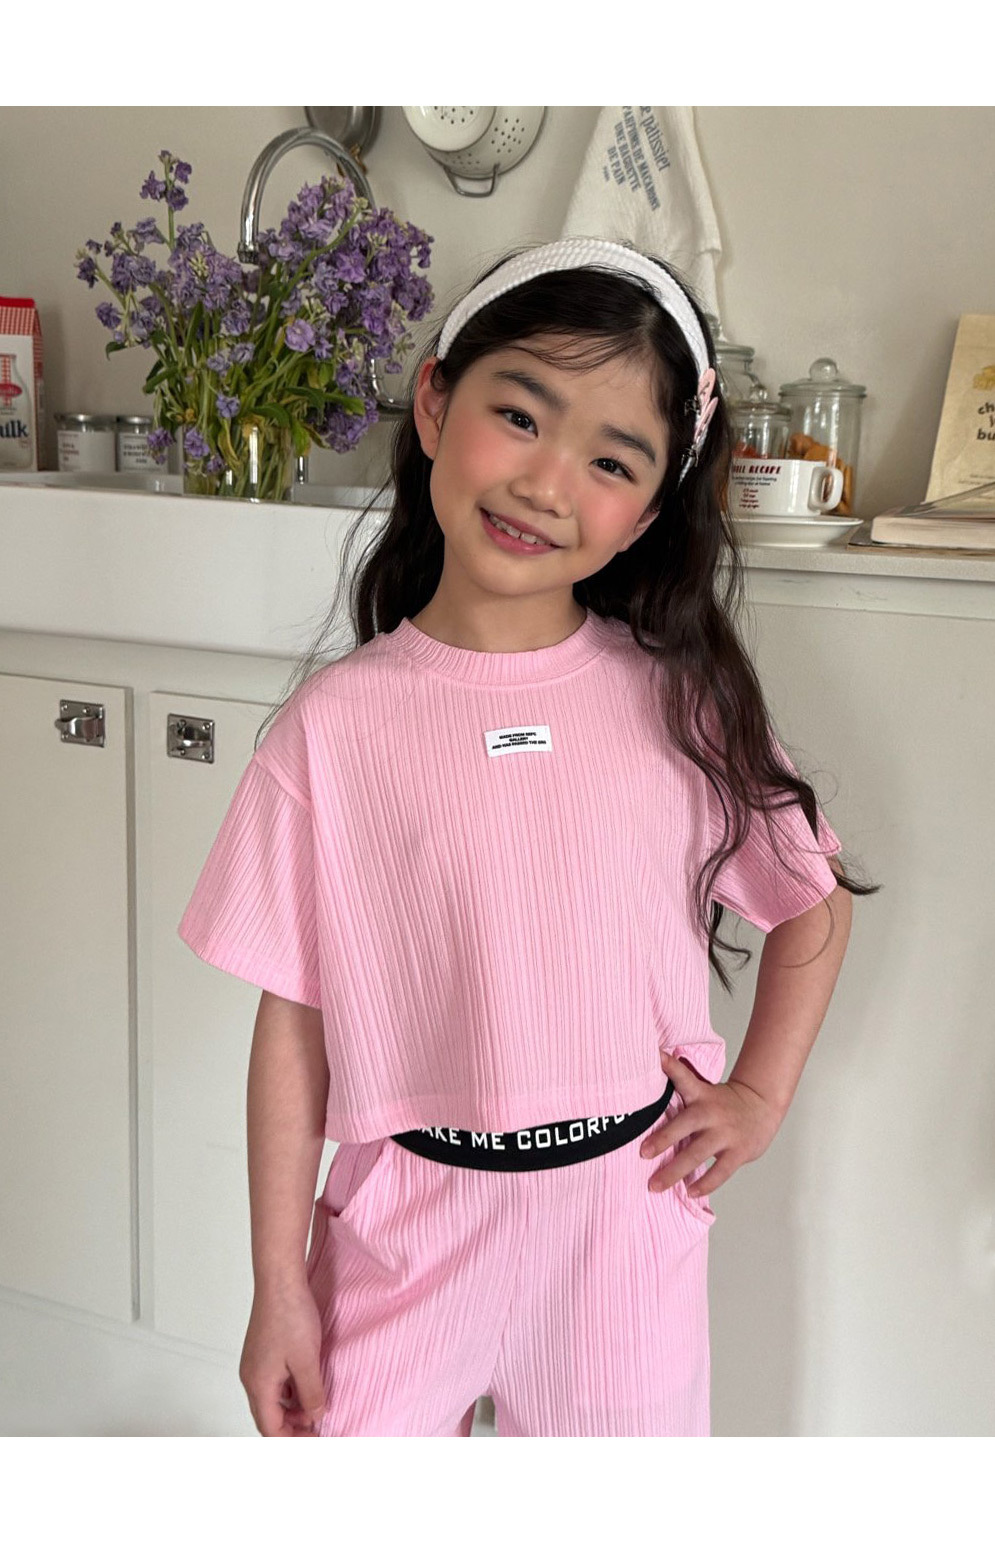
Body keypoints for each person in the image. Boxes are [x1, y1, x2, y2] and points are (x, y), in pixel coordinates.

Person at [178, 236, 876, 1439]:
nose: (547, 483)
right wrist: (276, 1283)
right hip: (400, 1223)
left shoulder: (679, 703)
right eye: (518, 415)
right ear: (435, 402)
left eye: (609, 460)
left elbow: (811, 900)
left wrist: (758, 1096)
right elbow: (292, 1021)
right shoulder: (333, 728)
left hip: (622, 1226)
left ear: (647, 510)